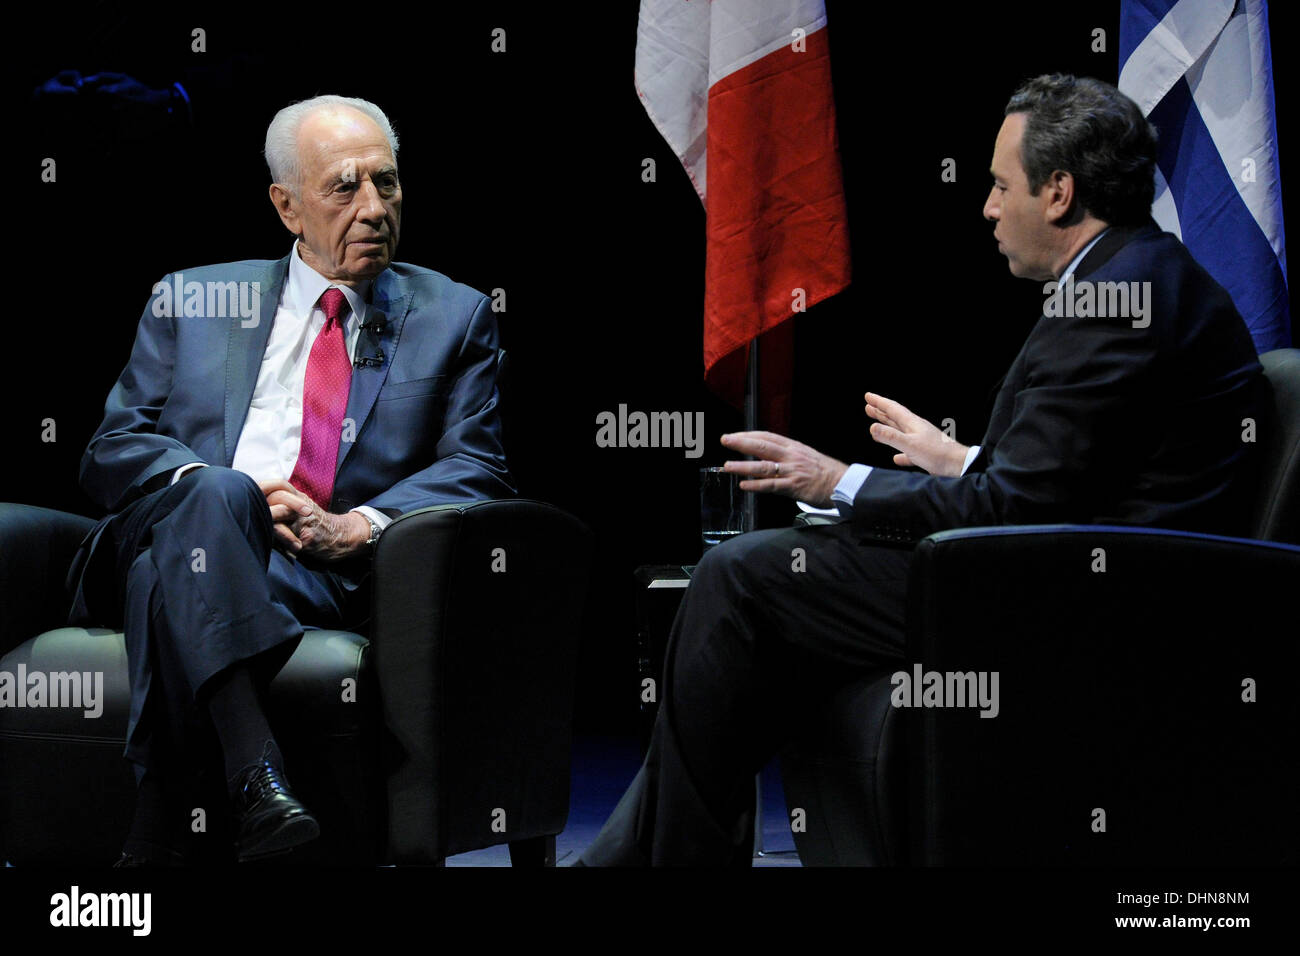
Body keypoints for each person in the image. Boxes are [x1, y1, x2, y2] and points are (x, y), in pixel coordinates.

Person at [577, 74, 1264, 866]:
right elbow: (1079, 475)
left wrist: (836, 482)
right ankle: (652, 853)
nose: (988, 207)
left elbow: (1016, 511)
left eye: (1002, 185)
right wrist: (965, 461)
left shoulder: (1118, 297)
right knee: (751, 592)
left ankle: (647, 859)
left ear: (1060, 192)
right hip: (1066, 568)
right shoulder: (1133, 274)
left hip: (1089, 606)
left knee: (741, 579)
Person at [66, 94, 513, 865]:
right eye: (345, 187)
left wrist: (355, 526)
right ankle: (255, 772)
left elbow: (478, 465)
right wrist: (215, 492)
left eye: (388, 182)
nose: (374, 208)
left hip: (306, 572)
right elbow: (112, 447)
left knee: (161, 582)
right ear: (287, 206)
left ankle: (154, 835)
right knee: (218, 495)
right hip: (171, 521)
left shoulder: (456, 315)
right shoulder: (194, 298)